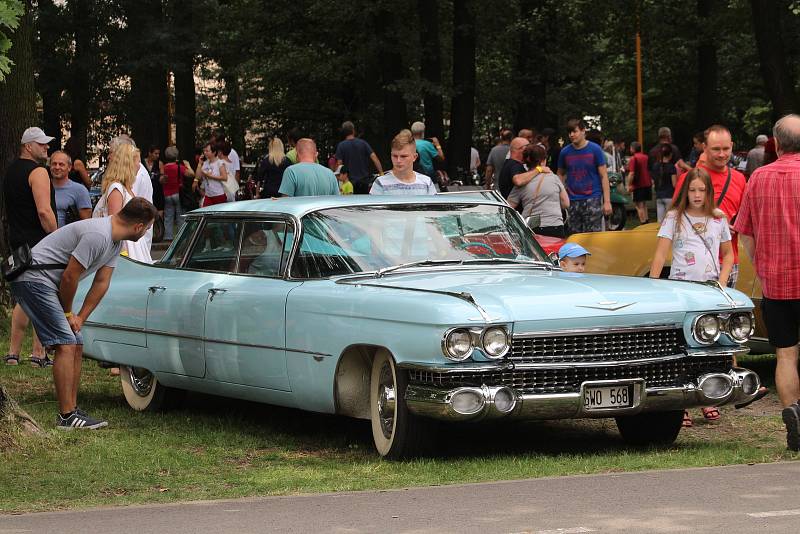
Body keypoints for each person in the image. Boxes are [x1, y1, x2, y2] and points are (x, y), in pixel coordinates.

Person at [10, 197, 157, 430]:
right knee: (66, 343)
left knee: (76, 341)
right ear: (138, 227)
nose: (147, 232)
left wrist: (80, 318)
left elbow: (101, 283)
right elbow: (70, 277)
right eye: (148, 228)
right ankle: (66, 416)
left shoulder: (115, 242)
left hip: (46, 283)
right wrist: (68, 313)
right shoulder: (98, 235)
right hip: (33, 279)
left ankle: (73, 410)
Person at [734, 114, 800, 450]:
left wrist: (762, 266)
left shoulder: (758, 177)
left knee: (786, 355)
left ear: (775, 143)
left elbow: (744, 233)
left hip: (776, 285)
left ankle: (793, 414)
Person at [651, 167, 734, 427]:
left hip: (709, 291)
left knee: (709, 345)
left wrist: (721, 282)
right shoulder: (674, 217)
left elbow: (729, 254)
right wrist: (654, 286)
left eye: (702, 190)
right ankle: (683, 403)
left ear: (709, 192)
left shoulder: (718, 218)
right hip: (681, 289)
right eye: (692, 189)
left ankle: (707, 396)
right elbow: (660, 254)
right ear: (685, 191)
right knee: (684, 346)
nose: (697, 195)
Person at [3, 127, 58, 367]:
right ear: (28, 146)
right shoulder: (38, 172)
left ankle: (13, 353)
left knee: (23, 298)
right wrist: (57, 237)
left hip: (18, 242)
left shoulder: (10, 171)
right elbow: (44, 211)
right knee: (44, 295)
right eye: (41, 144)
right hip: (40, 243)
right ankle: (38, 353)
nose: (46, 147)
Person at [673, 125, 746, 288]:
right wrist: (714, 225)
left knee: (724, 312)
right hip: (693, 263)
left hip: (728, 261)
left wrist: (736, 226)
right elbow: (675, 219)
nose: (722, 154)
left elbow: (745, 219)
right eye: (716, 149)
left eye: (726, 148)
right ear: (704, 148)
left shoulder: (739, 179)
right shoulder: (688, 179)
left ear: (732, 146)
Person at [557, 118, 612, 233]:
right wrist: (562, 195)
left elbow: (604, 176)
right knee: (575, 238)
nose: (571, 135)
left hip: (592, 199)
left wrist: (607, 201)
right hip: (572, 200)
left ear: (583, 131)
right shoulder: (565, 152)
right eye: (569, 132)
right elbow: (560, 174)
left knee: (593, 238)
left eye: (574, 131)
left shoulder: (595, 150)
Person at [507, 144, 569, 238]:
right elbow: (566, 204)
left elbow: (509, 206)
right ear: (543, 160)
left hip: (532, 228)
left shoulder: (523, 182)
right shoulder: (554, 178)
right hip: (555, 226)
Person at [110, 134, 153, 264]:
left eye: (112, 152)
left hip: (132, 239)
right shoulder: (120, 185)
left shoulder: (133, 178)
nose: (109, 157)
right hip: (130, 239)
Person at [370, 130, 437, 195]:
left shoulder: (426, 183)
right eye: (395, 156)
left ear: (414, 157)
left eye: (403, 156)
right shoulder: (380, 183)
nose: (398, 160)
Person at [335, 121, 383, 194]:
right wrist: (381, 173)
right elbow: (374, 158)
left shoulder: (341, 146)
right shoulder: (363, 143)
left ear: (344, 132)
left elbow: (339, 164)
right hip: (364, 182)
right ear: (353, 131)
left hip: (349, 183)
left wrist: (338, 179)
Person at [50, 151, 92, 227]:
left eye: (61, 164)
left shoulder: (80, 190)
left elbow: (86, 222)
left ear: (69, 167)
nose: (57, 167)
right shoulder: (43, 187)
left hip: (68, 237)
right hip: (44, 237)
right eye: (54, 164)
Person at [161, 146, 195, 241]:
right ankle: (181, 236)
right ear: (176, 156)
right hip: (178, 193)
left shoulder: (164, 167)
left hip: (167, 194)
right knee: (180, 216)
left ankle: (168, 236)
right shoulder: (180, 167)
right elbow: (192, 174)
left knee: (168, 216)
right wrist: (187, 165)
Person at [626, 141, 652, 224]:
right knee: (644, 204)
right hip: (647, 183)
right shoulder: (646, 157)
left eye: (630, 148)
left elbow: (632, 173)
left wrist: (629, 184)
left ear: (633, 149)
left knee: (638, 205)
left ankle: (643, 222)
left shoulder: (633, 159)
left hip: (638, 184)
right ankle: (647, 220)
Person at [194, 142, 229, 206]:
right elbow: (198, 176)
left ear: (214, 152)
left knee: (218, 215)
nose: (205, 153)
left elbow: (224, 177)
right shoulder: (205, 163)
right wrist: (199, 164)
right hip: (208, 195)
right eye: (204, 151)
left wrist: (210, 176)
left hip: (219, 195)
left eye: (207, 151)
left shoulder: (219, 163)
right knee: (206, 214)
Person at [652, 144, 677, 222]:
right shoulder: (671, 167)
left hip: (659, 196)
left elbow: (653, 182)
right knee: (670, 220)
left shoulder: (655, 166)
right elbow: (674, 184)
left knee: (660, 222)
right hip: (669, 196)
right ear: (670, 154)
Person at [144, 145, 164, 218]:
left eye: (158, 154)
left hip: (157, 192)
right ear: (150, 153)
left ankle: (159, 229)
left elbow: (162, 177)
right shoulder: (143, 163)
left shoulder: (159, 163)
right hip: (146, 190)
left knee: (159, 216)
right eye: (156, 153)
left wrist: (162, 178)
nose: (157, 156)